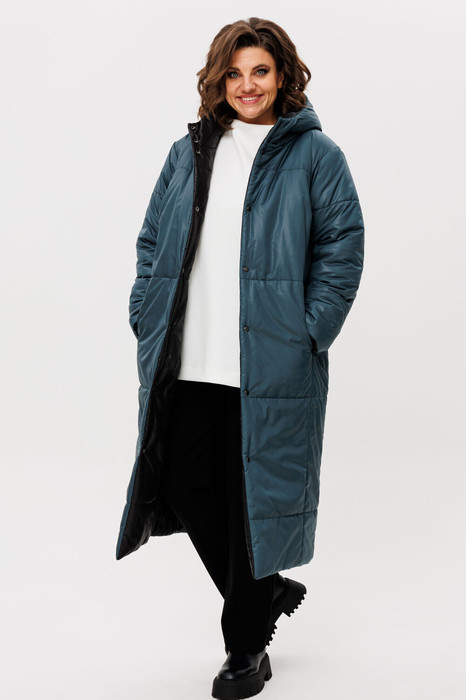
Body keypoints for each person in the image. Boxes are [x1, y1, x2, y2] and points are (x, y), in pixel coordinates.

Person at [116, 16, 364, 700]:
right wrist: (145, 312)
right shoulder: (190, 151)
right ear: (217, 80)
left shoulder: (317, 156)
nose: (247, 85)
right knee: (184, 483)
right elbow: (151, 239)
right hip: (191, 355)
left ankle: (245, 647)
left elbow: (342, 247)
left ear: (282, 76)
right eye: (234, 73)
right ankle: (266, 593)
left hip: (269, 363)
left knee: (250, 502)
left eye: (260, 71)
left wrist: (308, 332)